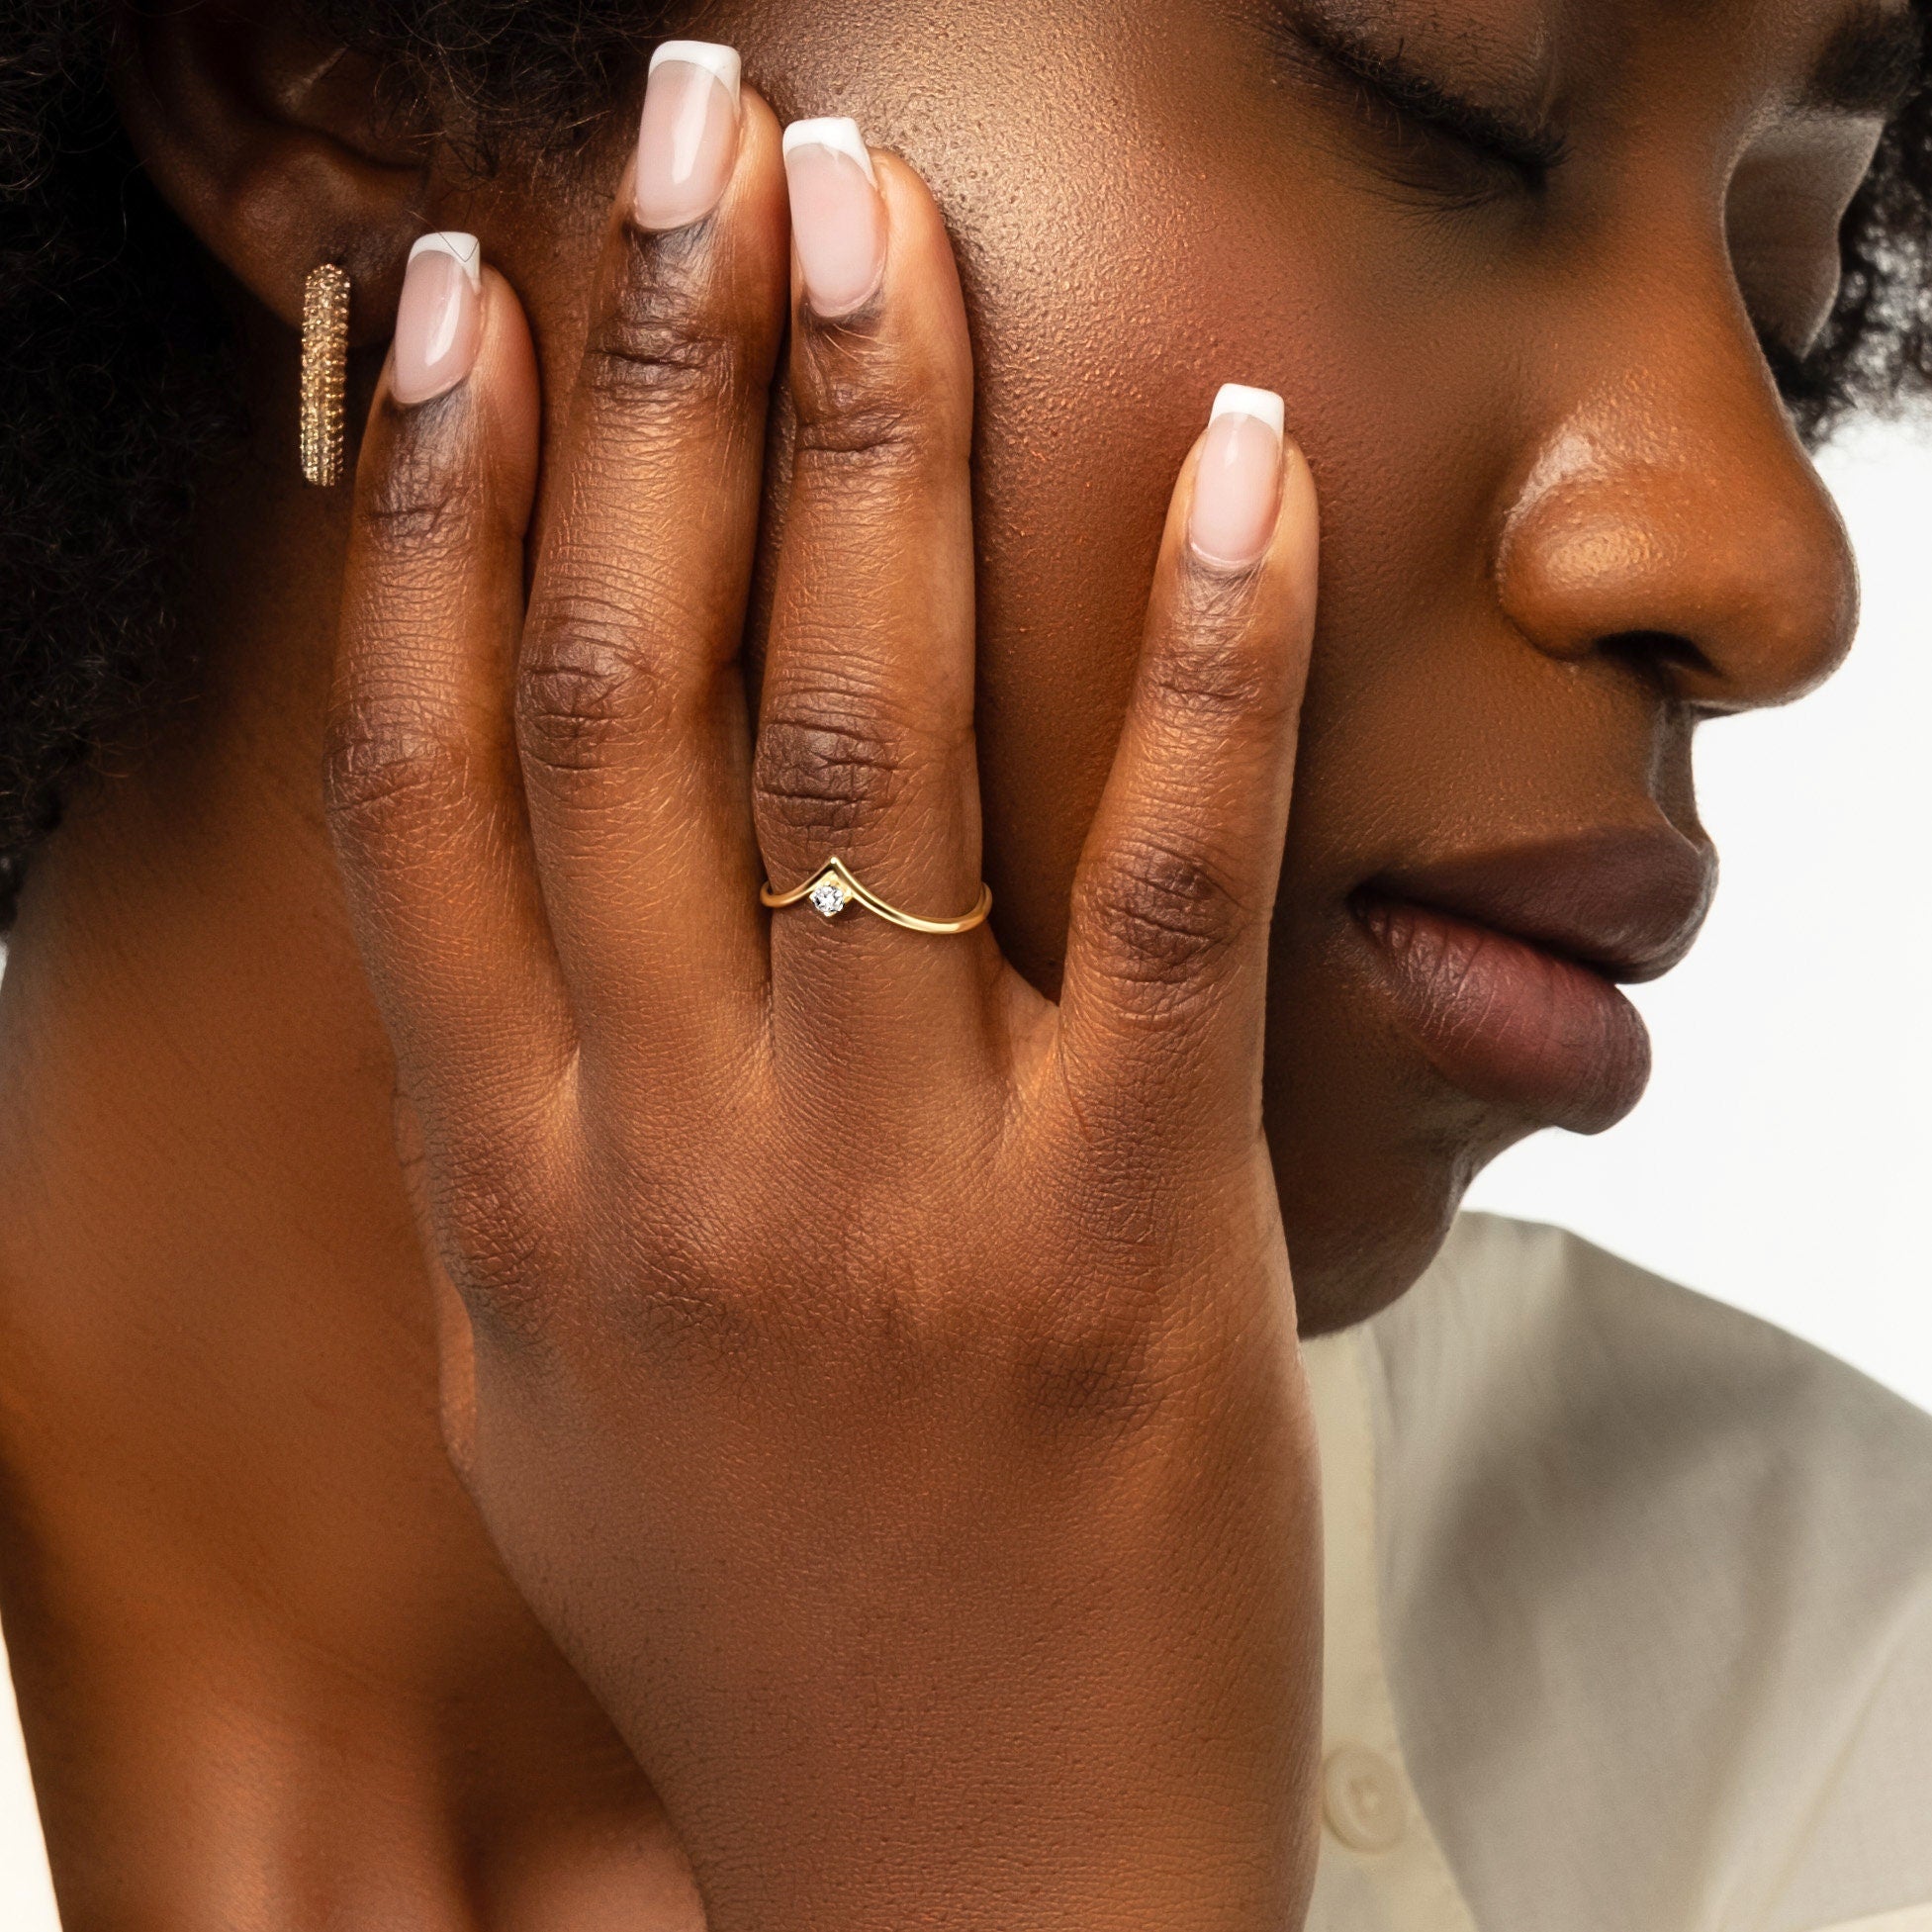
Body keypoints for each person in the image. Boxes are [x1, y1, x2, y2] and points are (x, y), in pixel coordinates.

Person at [0, 3, 1928, 1927]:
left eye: (1784, 278)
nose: (1764, 563)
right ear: (325, 70)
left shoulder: (1851, 1716)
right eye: (1439, 111)